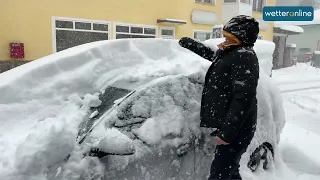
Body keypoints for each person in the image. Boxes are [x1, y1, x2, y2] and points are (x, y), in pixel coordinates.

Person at [179, 15, 260, 180]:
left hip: (238, 130)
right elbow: (215, 57)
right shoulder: (234, 52)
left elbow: (243, 99)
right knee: (229, 171)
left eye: (229, 37)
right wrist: (192, 45)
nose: (225, 39)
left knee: (219, 174)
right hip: (233, 127)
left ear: (241, 36)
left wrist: (227, 133)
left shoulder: (245, 57)